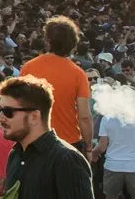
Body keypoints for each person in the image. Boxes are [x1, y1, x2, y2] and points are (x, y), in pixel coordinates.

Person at [21, 16, 94, 151]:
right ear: (73, 43)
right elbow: (84, 116)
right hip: (69, 143)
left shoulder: (28, 68)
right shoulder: (78, 74)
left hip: (35, 141)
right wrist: (88, 147)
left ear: (48, 42)